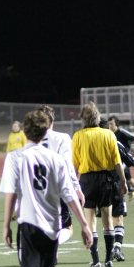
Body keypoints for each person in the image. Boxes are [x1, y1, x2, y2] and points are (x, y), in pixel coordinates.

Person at [0, 110, 93, 267]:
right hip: (53, 225)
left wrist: (6, 226)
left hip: (29, 224)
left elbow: (10, 194)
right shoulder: (57, 159)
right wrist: (84, 225)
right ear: (45, 132)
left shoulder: (15, 157)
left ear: (24, 131)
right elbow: (69, 195)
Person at [72, 101, 127, 267]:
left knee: (90, 222)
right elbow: (117, 162)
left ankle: (95, 262)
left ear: (83, 119)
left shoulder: (78, 136)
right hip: (106, 179)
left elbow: (75, 165)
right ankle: (108, 261)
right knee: (108, 219)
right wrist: (123, 182)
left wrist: (74, 184)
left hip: (87, 181)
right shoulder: (108, 134)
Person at [36, 104, 85, 244]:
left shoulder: (31, 140)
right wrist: (76, 187)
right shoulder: (62, 138)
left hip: (36, 188)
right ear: (52, 121)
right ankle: (53, 244)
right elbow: (67, 165)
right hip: (56, 188)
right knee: (67, 227)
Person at [107, 115, 134, 203]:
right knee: (129, 179)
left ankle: (130, 191)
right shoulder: (109, 134)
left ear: (116, 124)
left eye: (111, 124)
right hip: (118, 160)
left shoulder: (122, 132)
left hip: (125, 159)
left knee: (118, 173)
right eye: (109, 124)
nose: (110, 126)